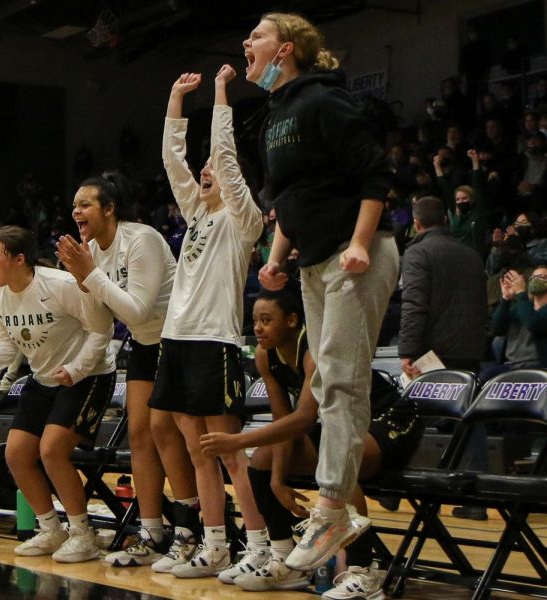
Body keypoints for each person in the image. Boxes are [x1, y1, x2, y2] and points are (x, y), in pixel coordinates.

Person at [246, 12, 400, 571]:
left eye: (257, 35)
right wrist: (276, 258)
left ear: (285, 50)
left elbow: (375, 175)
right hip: (311, 263)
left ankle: (333, 505)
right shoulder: (275, 113)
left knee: (338, 377)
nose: (247, 43)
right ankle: (335, 510)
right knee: (328, 378)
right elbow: (292, 197)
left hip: (354, 254)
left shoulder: (322, 101)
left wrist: (360, 242)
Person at [200, 288, 422, 597]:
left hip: (391, 419)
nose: (258, 328)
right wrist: (277, 481)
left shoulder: (314, 352)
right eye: (255, 320)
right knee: (262, 460)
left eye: (267, 320)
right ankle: (284, 559)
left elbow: (304, 418)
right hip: (344, 424)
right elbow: (283, 425)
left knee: (338, 463)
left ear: (292, 321)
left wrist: (236, 440)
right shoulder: (266, 356)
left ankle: (364, 574)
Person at [148, 66, 265, 579]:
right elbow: (173, 160)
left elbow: (227, 160)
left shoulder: (243, 220)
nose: (205, 172)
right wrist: (175, 100)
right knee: (196, 452)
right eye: (205, 169)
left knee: (230, 453)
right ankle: (215, 545)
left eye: (212, 169)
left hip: (214, 343)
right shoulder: (196, 213)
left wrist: (220, 93)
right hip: (176, 340)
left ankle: (261, 545)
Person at [55, 174, 198, 568]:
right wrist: (83, 281)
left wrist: (91, 274)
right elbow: (103, 319)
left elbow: (136, 307)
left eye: (85, 204)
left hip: (177, 338)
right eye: (74, 205)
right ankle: (151, 531)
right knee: (137, 434)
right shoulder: (93, 252)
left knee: (163, 430)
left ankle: (187, 531)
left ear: (109, 208)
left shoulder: (142, 239)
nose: (76, 211)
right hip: (144, 343)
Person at [0, 226, 116, 564]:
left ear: (19, 259)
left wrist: (77, 369)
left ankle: (84, 535)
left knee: (51, 451)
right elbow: (7, 340)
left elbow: (101, 328)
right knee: (16, 454)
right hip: (44, 377)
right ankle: (52, 528)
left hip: (88, 376)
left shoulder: (60, 285)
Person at [399, 196, 488, 378]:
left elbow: (414, 305)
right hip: (471, 351)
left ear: (416, 224)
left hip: (434, 354)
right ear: (445, 220)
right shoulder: (472, 254)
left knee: (431, 407)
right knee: (464, 405)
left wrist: (407, 350)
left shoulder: (417, 253)